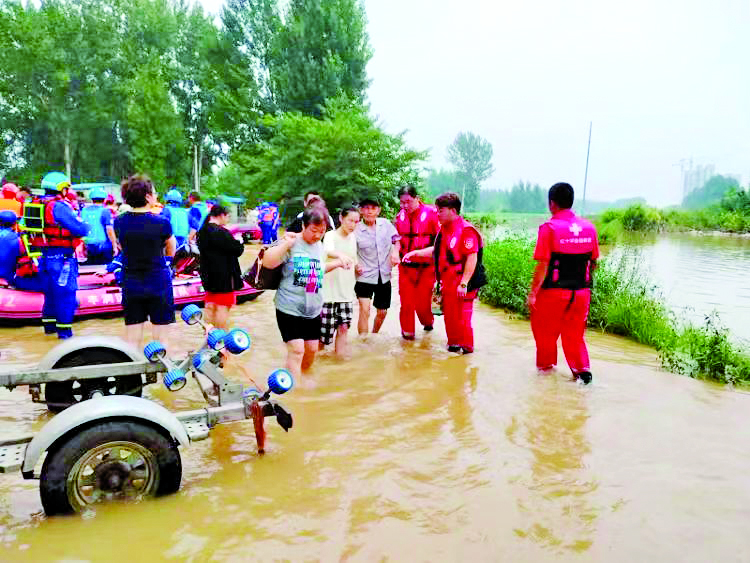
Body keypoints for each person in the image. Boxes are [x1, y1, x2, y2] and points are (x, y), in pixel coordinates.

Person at [262, 207, 351, 379]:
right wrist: (286, 244)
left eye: (322, 231)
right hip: (289, 306)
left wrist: (339, 263)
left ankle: (302, 378)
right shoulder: (291, 241)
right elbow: (267, 262)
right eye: (313, 230)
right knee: (297, 350)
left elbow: (316, 271)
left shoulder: (319, 246)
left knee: (311, 350)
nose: (317, 235)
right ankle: (294, 389)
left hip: (312, 308)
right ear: (303, 225)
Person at [528, 182, 599, 384]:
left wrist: (532, 293)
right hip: (581, 293)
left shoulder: (549, 228)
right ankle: (582, 373)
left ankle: (546, 377)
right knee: (575, 336)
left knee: (545, 335)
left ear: (552, 203)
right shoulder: (589, 227)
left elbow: (543, 265)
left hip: (553, 293)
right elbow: (594, 262)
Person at [405, 192, 485, 353]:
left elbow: (472, 257)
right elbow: (437, 252)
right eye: (436, 210)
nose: (437, 214)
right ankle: (453, 349)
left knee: (463, 320)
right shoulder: (444, 230)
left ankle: (467, 353)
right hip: (448, 282)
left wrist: (464, 283)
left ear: (453, 211)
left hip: (463, 283)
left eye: (440, 210)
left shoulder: (466, 230)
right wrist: (416, 253)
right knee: (450, 318)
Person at [114, 174, 177, 348]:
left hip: (131, 281)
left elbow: (121, 246)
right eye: (154, 193)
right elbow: (171, 247)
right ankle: (159, 366)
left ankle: (132, 365)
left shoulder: (119, 222)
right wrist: (167, 261)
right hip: (158, 281)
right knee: (161, 340)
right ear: (148, 197)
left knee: (132, 339)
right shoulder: (162, 223)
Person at [34, 172, 89, 338]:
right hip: (61, 258)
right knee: (66, 295)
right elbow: (80, 229)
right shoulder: (59, 206)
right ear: (61, 188)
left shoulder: (35, 203)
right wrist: (84, 224)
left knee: (50, 295)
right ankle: (65, 336)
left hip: (44, 257)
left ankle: (49, 331)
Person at [394, 185, 440, 340]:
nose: (405, 205)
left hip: (427, 267)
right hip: (405, 267)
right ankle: (407, 335)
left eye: (408, 201)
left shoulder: (432, 214)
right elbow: (397, 240)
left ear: (417, 198)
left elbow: (441, 242)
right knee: (406, 302)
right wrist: (395, 253)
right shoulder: (399, 217)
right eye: (402, 202)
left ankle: (428, 322)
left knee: (422, 304)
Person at [354, 197, 400, 334]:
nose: (369, 211)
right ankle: (363, 342)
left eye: (373, 208)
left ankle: (374, 335)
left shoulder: (385, 224)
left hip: (384, 275)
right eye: (366, 208)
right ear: (361, 210)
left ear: (378, 210)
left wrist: (395, 253)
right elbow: (349, 249)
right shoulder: (355, 229)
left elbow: (396, 239)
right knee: (365, 309)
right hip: (364, 275)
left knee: (382, 312)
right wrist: (355, 264)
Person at [196, 204, 244, 330]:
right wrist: (239, 240)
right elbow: (237, 250)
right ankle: (220, 337)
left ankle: (209, 336)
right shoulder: (222, 233)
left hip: (207, 274)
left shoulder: (201, 231)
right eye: (227, 216)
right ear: (221, 215)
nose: (227, 219)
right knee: (223, 306)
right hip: (224, 275)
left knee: (210, 306)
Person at [320, 206, 360, 357]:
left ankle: (340, 360)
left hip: (346, 293)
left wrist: (358, 267)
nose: (353, 225)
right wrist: (340, 256)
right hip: (328, 294)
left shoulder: (353, 238)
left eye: (356, 222)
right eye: (350, 220)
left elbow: (354, 258)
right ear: (341, 218)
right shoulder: (330, 235)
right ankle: (316, 362)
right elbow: (328, 251)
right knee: (323, 335)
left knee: (344, 327)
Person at [81, 187, 117, 265]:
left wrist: (82, 245)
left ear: (91, 199)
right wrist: (115, 245)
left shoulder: (84, 211)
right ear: (104, 199)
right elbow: (109, 230)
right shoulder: (105, 211)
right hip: (103, 246)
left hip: (88, 244)